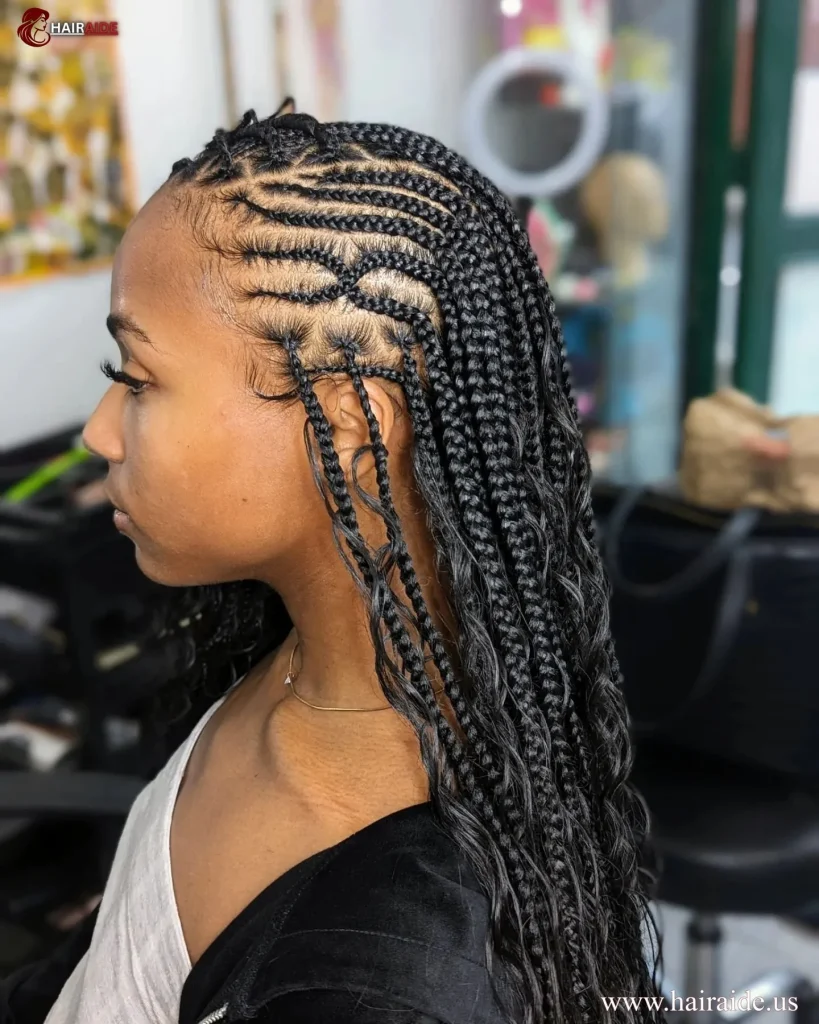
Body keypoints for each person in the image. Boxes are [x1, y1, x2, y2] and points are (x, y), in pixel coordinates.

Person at [2, 104, 663, 1024]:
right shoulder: (301, 652)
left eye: (137, 379)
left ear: (350, 429)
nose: (97, 432)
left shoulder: (379, 981)